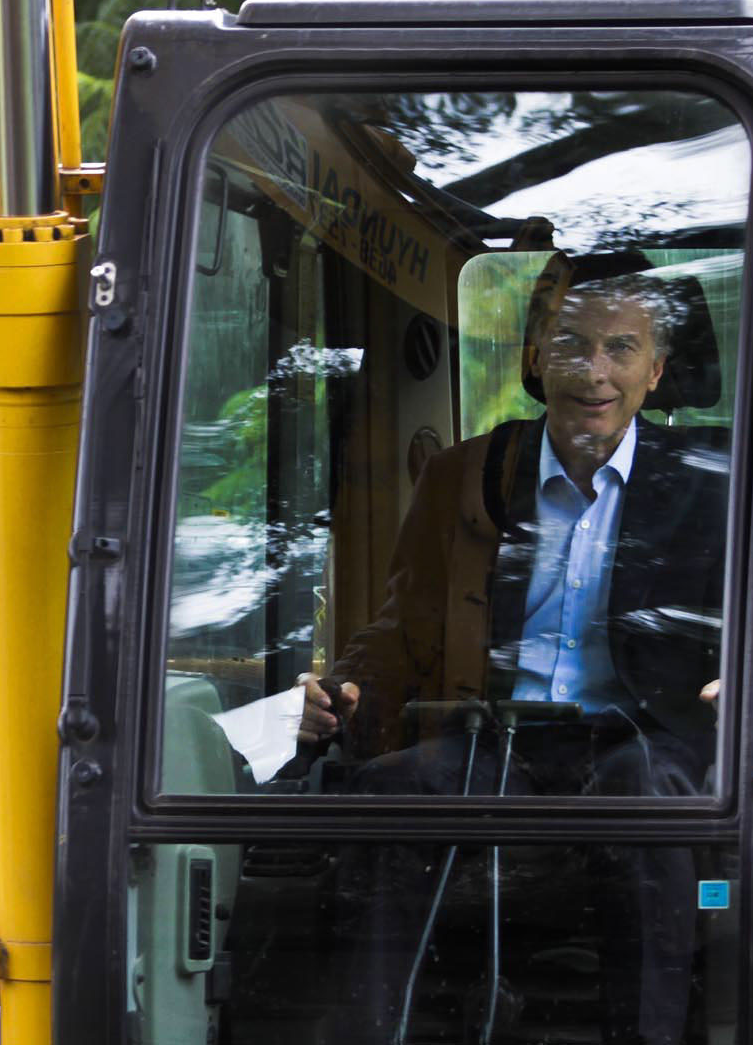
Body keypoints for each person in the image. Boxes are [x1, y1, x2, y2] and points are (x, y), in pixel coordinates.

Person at [301, 252, 726, 1045]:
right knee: (386, 798)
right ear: (536, 359)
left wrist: (740, 683)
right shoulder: (467, 476)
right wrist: (347, 688)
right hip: (496, 736)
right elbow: (401, 626)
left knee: (651, 807)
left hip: (640, 742)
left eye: (620, 348)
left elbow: (745, 629)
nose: (592, 371)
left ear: (657, 370)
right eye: (569, 344)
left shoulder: (710, 483)